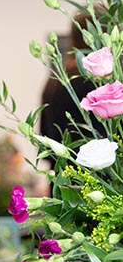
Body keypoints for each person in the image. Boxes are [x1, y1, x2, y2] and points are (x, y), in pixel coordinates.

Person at [40, 11, 106, 170]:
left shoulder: (56, 80)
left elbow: (45, 139)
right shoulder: (98, 81)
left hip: (63, 176)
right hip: (99, 180)